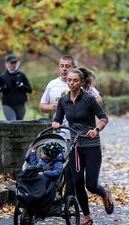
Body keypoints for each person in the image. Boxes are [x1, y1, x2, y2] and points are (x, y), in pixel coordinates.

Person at [52, 68, 114, 225]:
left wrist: (96, 129)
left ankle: (104, 193)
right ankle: (87, 216)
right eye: (69, 80)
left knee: (91, 185)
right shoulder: (63, 100)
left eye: (75, 80)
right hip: (75, 146)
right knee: (78, 182)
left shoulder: (88, 99)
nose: (71, 83)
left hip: (91, 146)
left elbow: (103, 118)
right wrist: (56, 124)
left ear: (81, 82)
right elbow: (57, 119)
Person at [39, 55, 102, 198]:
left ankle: (68, 200)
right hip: (61, 133)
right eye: (62, 66)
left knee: (72, 171)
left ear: (74, 67)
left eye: (67, 66)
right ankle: (63, 199)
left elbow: (98, 99)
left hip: (80, 135)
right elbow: (42, 106)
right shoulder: (52, 85)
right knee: (61, 167)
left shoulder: (81, 84)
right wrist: (53, 107)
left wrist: (85, 107)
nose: (64, 69)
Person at [0, 54, 32, 120]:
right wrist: (4, 87)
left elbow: (30, 90)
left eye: (15, 62)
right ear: (7, 64)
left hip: (20, 104)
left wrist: (22, 86)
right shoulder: (3, 76)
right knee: (12, 122)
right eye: (11, 63)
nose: (13, 64)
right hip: (7, 105)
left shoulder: (21, 75)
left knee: (19, 124)